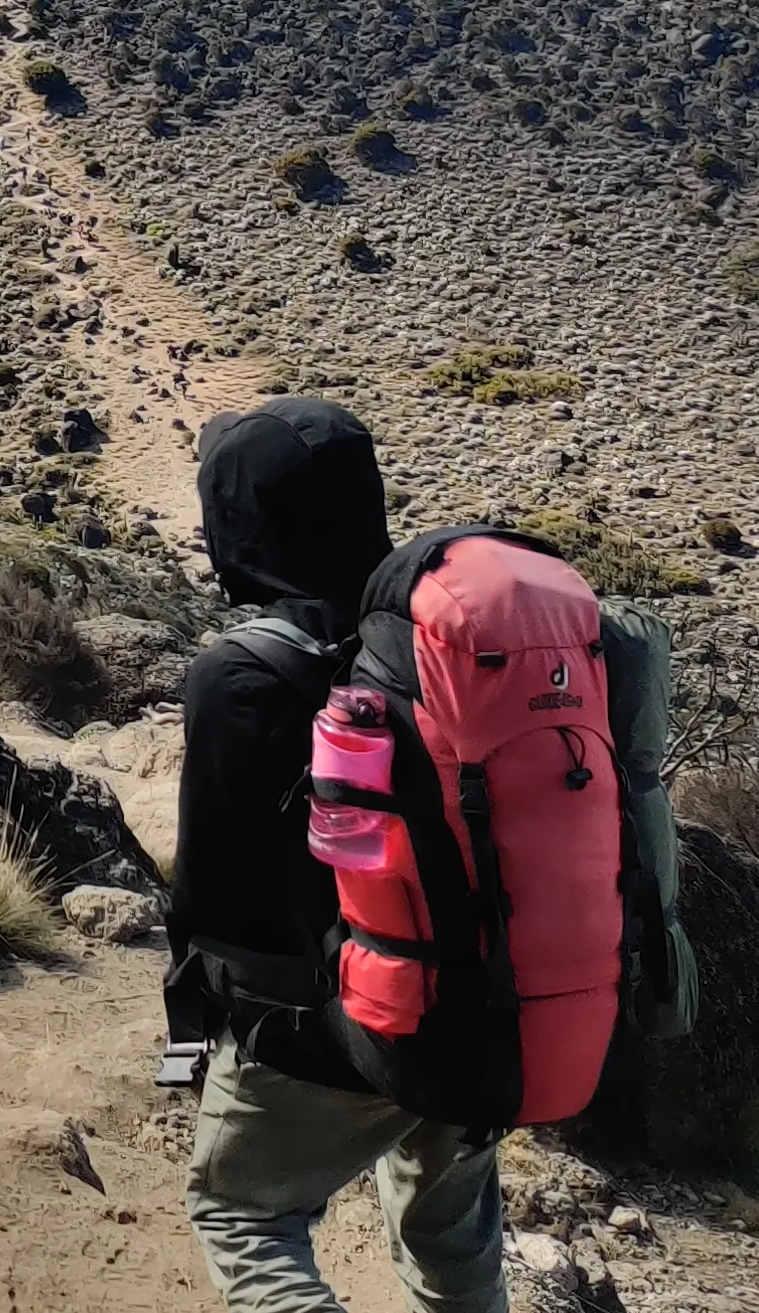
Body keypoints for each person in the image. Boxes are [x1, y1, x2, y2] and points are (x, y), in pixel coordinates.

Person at [168, 398, 504, 1313]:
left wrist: (195, 1023)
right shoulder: (446, 648)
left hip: (340, 1016)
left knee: (244, 1216)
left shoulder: (241, 675)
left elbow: (215, 893)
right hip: (484, 1007)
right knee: (450, 1232)